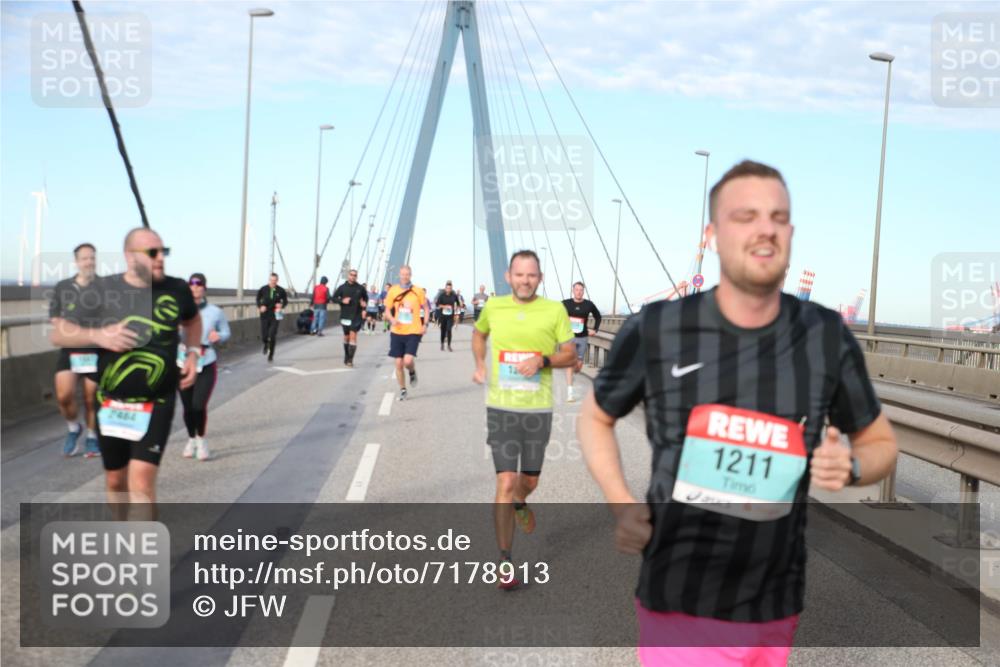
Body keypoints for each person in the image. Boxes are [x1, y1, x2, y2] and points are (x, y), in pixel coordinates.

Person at [577, 160, 899, 665]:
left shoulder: (825, 338)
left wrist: (854, 467)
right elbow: (596, 416)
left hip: (774, 603)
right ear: (711, 234)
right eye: (745, 215)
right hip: (678, 594)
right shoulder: (658, 329)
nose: (764, 228)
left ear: (790, 233)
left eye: (777, 216)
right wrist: (620, 501)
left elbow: (881, 444)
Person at [50, 228, 202, 518]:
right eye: (152, 253)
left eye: (163, 252)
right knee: (116, 481)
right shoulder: (103, 289)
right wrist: (100, 335)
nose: (161, 259)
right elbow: (59, 334)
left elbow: (193, 322)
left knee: (142, 482)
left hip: (157, 400)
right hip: (112, 403)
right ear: (129, 256)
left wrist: (193, 352)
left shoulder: (177, 288)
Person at [472, 250, 576, 589]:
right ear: (508, 276)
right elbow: (479, 334)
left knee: (528, 482)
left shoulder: (554, 310)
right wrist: (479, 363)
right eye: (519, 275)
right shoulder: (494, 307)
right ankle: (505, 561)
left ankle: (522, 500)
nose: (525, 280)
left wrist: (543, 360)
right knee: (504, 481)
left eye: (531, 275)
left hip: (537, 411)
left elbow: (571, 355)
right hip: (501, 408)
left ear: (540, 278)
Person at [49, 242, 102, 458]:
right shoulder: (63, 286)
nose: (88, 262)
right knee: (64, 396)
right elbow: (55, 318)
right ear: (76, 261)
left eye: (92, 258)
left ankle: (92, 436)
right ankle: (74, 428)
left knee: (91, 398)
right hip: (70, 350)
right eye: (84, 258)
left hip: (96, 351)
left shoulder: (105, 286)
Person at [179, 273, 230, 462]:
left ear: (204, 288)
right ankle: (191, 439)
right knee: (187, 407)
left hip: (206, 361)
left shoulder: (215, 311)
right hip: (182, 362)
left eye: (198, 284)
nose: (195, 287)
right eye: (191, 284)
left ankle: (201, 440)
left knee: (198, 405)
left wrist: (220, 336)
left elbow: (226, 332)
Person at [386, 265, 428, 400]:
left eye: (407, 274)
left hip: (413, 331)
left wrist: (425, 324)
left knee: (408, 361)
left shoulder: (418, 291)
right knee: (398, 363)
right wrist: (392, 319)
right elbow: (387, 309)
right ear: (399, 275)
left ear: (411, 275)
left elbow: (426, 308)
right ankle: (403, 389)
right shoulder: (393, 290)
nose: (405, 276)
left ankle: (412, 371)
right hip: (397, 331)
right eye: (403, 274)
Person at [562, 281, 602, 403]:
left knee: (578, 365)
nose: (578, 292)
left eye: (581, 290)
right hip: (568, 337)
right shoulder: (565, 303)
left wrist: (595, 329)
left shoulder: (588, 305)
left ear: (583, 292)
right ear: (573, 291)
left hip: (583, 337)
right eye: (576, 289)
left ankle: (576, 366)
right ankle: (570, 393)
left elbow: (598, 316)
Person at [332, 269, 368, 367]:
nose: (353, 276)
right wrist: (342, 301)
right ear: (348, 275)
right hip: (345, 316)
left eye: (355, 275)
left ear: (357, 277)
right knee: (346, 337)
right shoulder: (342, 287)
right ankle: (347, 355)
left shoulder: (360, 288)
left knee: (353, 336)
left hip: (356, 316)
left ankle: (350, 360)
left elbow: (365, 299)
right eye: (351, 275)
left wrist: (364, 307)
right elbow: (334, 298)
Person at [256, 273, 287, 363]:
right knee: (264, 335)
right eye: (271, 280)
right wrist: (260, 306)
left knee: (272, 335)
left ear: (277, 280)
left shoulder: (281, 290)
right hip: (265, 315)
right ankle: (265, 343)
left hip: (275, 315)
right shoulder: (263, 289)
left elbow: (285, 301)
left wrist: (281, 305)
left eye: (275, 280)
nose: (273, 282)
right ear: (269, 280)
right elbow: (258, 299)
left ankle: (271, 355)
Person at [436, 281, 461, 351]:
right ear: (445, 288)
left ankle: (449, 345)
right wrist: (444, 306)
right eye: (447, 288)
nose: (448, 289)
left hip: (450, 316)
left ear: (451, 288)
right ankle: (442, 344)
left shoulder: (454, 295)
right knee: (443, 331)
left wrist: (457, 308)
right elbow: (438, 305)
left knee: (449, 330)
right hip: (443, 316)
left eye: (450, 288)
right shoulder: (442, 296)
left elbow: (458, 304)